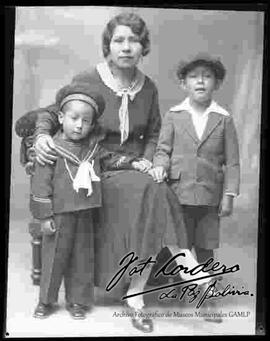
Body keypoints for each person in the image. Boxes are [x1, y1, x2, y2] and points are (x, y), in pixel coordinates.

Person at [16, 13, 211, 332]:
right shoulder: (87, 79)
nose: (126, 47)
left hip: (137, 170)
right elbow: (52, 114)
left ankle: (138, 293)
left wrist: (152, 161)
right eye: (119, 40)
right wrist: (40, 135)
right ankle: (185, 267)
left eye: (134, 40)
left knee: (153, 187)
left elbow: (153, 133)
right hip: (93, 169)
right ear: (108, 46)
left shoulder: (148, 88)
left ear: (143, 47)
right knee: (153, 191)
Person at [30, 83, 139, 320]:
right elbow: (40, 185)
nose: (79, 125)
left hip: (86, 212)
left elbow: (111, 159)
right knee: (54, 257)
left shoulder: (93, 148)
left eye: (86, 121)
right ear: (60, 117)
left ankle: (77, 301)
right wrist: (45, 216)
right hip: (59, 214)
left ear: (92, 125)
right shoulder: (52, 149)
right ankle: (46, 301)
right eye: (74, 118)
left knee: (82, 258)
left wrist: (133, 162)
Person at [150, 53, 240, 322]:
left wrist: (229, 195)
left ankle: (207, 300)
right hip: (178, 191)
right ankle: (180, 287)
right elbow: (162, 149)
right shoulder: (174, 115)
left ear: (217, 83)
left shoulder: (224, 119)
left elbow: (233, 162)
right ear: (183, 84)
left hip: (210, 195)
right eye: (193, 76)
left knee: (205, 246)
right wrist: (159, 165)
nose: (200, 81)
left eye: (207, 76)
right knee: (179, 244)